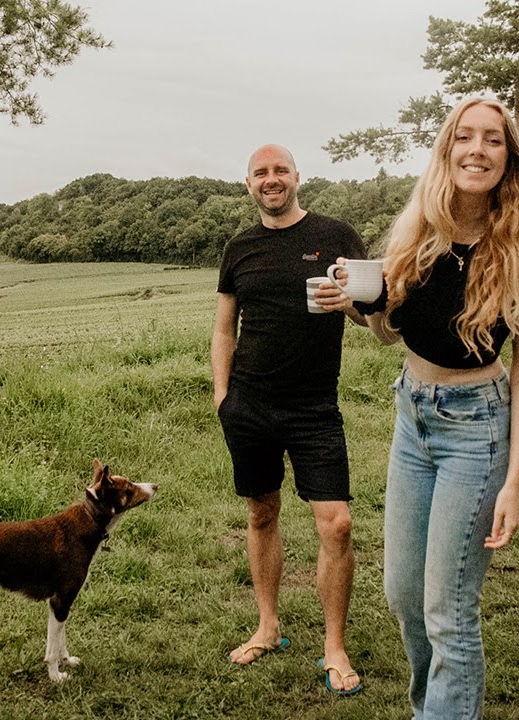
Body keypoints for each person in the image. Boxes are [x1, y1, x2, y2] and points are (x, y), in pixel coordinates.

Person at [321, 98, 519, 718]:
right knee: (404, 595)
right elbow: (390, 333)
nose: (477, 150)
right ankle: (434, 706)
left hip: (477, 428)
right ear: (448, 149)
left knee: (448, 609)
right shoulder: (415, 233)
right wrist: (360, 303)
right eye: (465, 137)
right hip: (413, 415)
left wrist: (514, 482)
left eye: (493, 140)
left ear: (509, 159)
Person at [211, 144, 374, 696]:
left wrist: (347, 303)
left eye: (280, 170)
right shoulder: (239, 248)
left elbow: (375, 311)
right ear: (249, 183)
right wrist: (223, 397)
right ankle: (267, 626)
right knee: (261, 513)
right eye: (261, 172)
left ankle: (335, 646)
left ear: (298, 177)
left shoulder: (335, 235)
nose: (271, 179)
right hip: (249, 405)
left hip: (314, 408)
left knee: (337, 524)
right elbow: (224, 327)